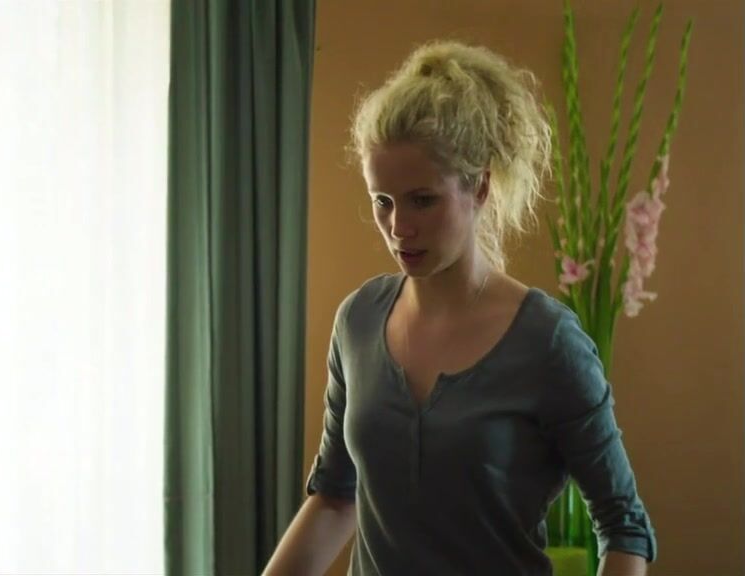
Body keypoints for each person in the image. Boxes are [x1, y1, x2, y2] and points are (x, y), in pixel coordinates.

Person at [263, 41, 656, 576]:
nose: (399, 227)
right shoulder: (358, 321)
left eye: (422, 199)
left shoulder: (548, 342)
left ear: (480, 187)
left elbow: (624, 526)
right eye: (382, 201)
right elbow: (334, 498)